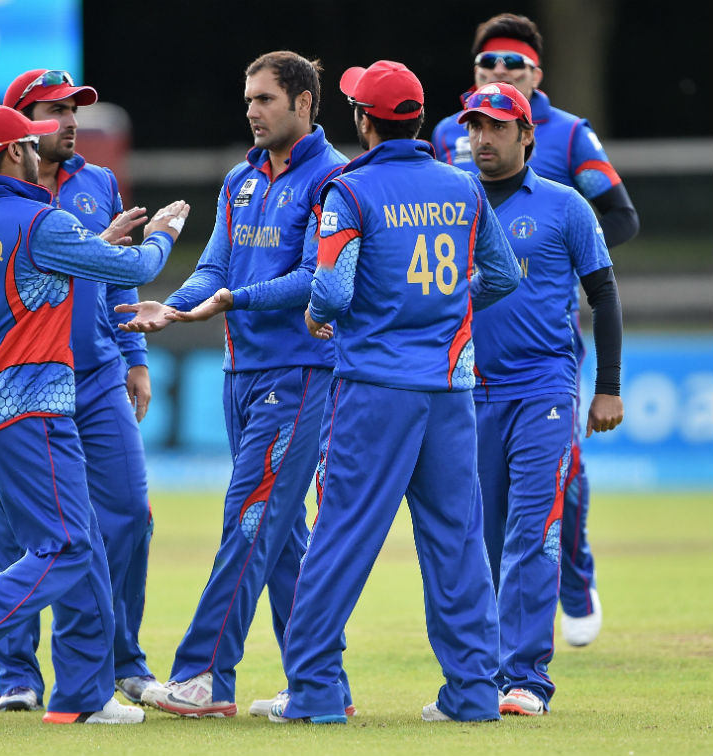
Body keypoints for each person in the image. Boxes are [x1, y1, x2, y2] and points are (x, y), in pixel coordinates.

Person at [0, 104, 189, 724]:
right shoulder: (38, 218)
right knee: (63, 547)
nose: (38, 150)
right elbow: (137, 269)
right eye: (28, 143)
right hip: (32, 405)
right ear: (12, 154)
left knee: (73, 542)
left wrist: (90, 247)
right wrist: (162, 229)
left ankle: (81, 697)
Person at [266, 60, 521, 725]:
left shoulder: (350, 191)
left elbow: (333, 287)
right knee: (458, 542)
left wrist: (322, 315)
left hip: (375, 390)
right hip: (449, 391)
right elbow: (504, 275)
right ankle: (472, 696)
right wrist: (448, 310)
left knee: (342, 536)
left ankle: (316, 694)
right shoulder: (463, 186)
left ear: (364, 120)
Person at [115, 50, 353, 718]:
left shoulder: (334, 180)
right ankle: (321, 686)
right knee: (282, 540)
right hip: (241, 374)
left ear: (304, 103)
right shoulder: (240, 180)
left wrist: (230, 301)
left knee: (248, 520)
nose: (251, 110)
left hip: (301, 373)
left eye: (265, 99)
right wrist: (173, 302)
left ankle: (205, 676)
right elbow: (214, 263)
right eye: (247, 99)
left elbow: (315, 278)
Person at [431, 13, 639, 646]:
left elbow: (615, 236)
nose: (497, 71)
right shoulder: (446, 158)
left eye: (511, 64)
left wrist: (562, 257)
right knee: (482, 529)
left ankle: (533, 656)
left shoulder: (569, 142)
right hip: (467, 377)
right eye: (486, 63)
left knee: (547, 501)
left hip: (546, 364)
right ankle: (482, 668)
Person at [460, 82, 624, 715]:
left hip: (544, 387)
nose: (483, 139)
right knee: (481, 537)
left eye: (497, 128)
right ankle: (481, 674)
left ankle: (526, 678)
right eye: (475, 127)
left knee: (534, 528)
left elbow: (604, 295)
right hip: (467, 390)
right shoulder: (452, 201)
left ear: (527, 135)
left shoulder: (565, 206)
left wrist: (606, 386)